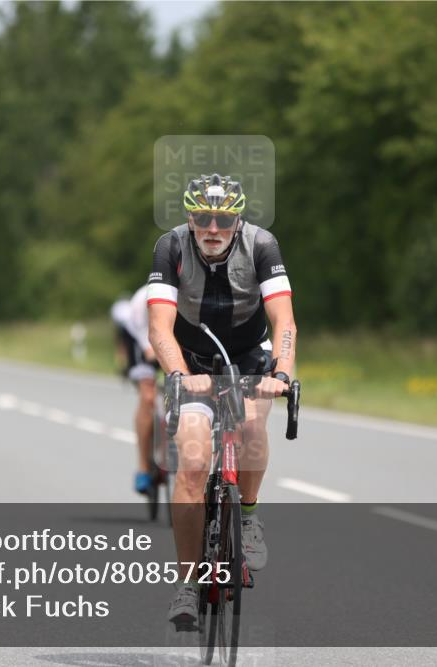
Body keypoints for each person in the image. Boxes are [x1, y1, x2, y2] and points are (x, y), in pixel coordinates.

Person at [147, 173, 297, 626]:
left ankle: (247, 515)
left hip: (249, 358)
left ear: (238, 220)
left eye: (225, 220)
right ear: (190, 218)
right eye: (203, 218)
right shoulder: (171, 246)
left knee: (250, 425)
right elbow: (159, 327)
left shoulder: (262, 245)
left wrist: (281, 373)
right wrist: (179, 374)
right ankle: (187, 584)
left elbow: (284, 320)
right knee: (193, 465)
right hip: (192, 363)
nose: (213, 228)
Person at [111, 286, 159, 494]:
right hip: (141, 339)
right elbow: (150, 350)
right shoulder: (141, 302)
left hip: (173, 334)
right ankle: (143, 467)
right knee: (148, 396)